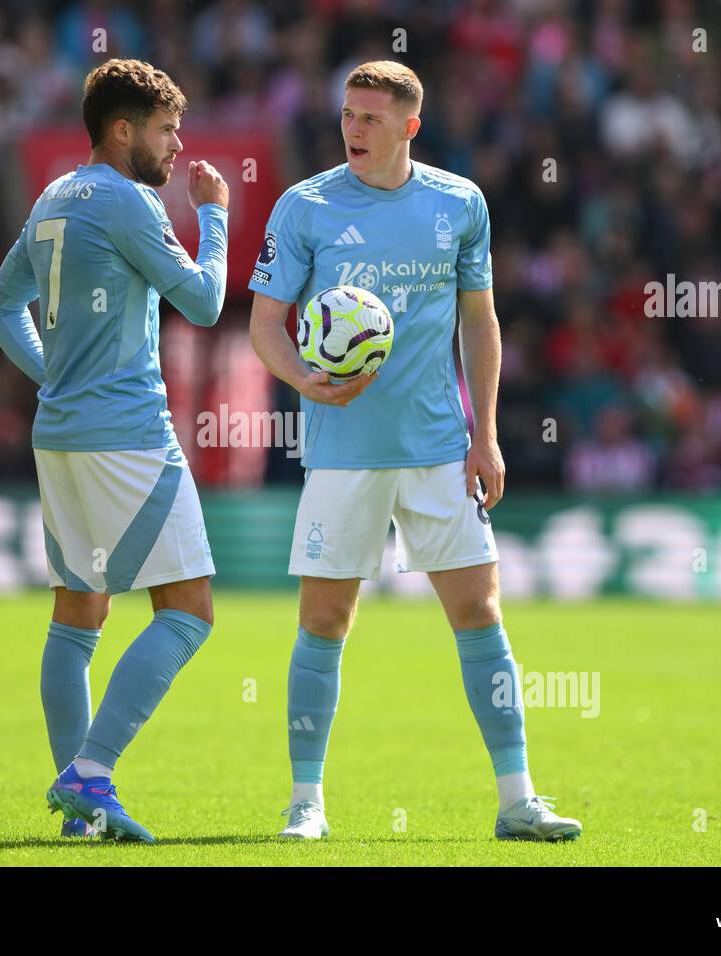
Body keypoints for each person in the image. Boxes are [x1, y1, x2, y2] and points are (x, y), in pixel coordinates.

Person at [249, 60, 581, 842]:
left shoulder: (459, 203)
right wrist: (304, 376)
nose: (353, 129)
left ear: (410, 126)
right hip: (343, 450)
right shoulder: (307, 206)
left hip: (438, 448)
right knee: (326, 619)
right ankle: (306, 804)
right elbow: (265, 322)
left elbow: (480, 320)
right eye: (347, 115)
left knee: (479, 609)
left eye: (370, 117)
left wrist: (486, 434)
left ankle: (516, 799)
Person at [0, 58, 230, 843]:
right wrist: (214, 217)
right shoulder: (131, 202)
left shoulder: (54, 197)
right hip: (126, 437)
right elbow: (205, 300)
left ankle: (79, 817)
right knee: (188, 613)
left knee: (77, 617)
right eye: (165, 130)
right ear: (121, 131)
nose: (179, 146)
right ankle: (90, 773)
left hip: (59, 436)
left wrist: (57, 376)